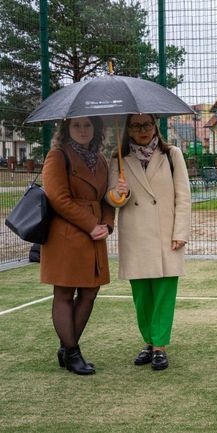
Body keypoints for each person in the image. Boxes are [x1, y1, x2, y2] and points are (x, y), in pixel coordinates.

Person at [107, 113, 191, 371]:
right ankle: (148, 341)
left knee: (164, 293)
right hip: (136, 236)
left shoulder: (172, 154)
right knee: (141, 296)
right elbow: (111, 199)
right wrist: (120, 194)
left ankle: (160, 347)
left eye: (147, 124)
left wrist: (180, 233)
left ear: (155, 125)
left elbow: (183, 196)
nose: (142, 130)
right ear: (128, 130)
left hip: (166, 234)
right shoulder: (117, 157)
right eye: (135, 125)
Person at [40, 116, 115, 375]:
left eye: (87, 125)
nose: (83, 130)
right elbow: (58, 198)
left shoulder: (101, 159)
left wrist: (107, 223)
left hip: (95, 235)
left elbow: (106, 197)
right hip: (66, 234)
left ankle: (67, 348)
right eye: (76, 126)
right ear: (66, 129)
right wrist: (90, 224)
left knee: (89, 293)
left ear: (96, 128)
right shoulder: (58, 156)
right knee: (64, 293)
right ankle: (72, 352)